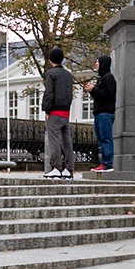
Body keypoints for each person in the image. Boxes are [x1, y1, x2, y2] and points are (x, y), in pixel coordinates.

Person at [41, 47, 76, 179]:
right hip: (66, 111)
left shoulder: (51, 74)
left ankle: (56, 168)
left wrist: (47, 109)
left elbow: (49, 93)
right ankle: (69, 169)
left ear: (50, 60)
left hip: (55, 111)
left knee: (54, 140)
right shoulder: (68, 75)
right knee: (67, 141)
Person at [85, 55, 117, 172]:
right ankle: (104, 162)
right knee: (101, 139)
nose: (96, 64)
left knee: (105, 138)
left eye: (98, 62)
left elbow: (108, 95)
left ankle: (107, 163)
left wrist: (94, 89)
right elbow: (100, 95)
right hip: (99, 112)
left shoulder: (109, 78)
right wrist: (92, 91)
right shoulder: (101, 79)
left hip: (105, 113)